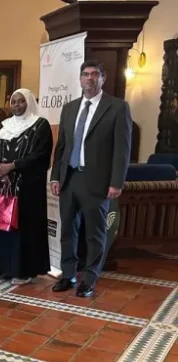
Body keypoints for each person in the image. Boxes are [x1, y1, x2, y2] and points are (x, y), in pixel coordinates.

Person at [50, 60, 132, 297]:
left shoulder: (117, 107)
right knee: (68, 230)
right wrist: (55, 177)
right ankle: (68, 274)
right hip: (69, 178)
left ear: (102, 78)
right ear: (80, 79)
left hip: (97, 181)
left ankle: (89, 279)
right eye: (85, 74)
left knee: (95, 234)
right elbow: (62, 146)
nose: (89, 78)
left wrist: (116, 182)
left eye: (95, 74)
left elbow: (122, 149)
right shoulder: (70, 108)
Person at [0, 89, 53, 285]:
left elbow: (41, 155)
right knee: (2, 225)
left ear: (29, 102)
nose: (16, 105)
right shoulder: (4, 126)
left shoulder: (40, 125)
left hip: (27, 189)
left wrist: (13, 166)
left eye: (21, 101)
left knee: (23, 228)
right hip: (4, 186)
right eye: (13, 102)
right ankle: (0, 267)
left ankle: (23, 271)